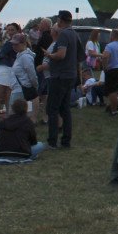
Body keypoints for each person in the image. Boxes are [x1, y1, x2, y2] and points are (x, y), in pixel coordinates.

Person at [44, 11, 80, 149]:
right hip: (70, 75)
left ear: (60, 20)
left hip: (60, 76)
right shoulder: (74, 34)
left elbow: (61, 54)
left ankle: (52, 141)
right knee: (65, 109)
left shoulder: (64, 34)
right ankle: (66, 141)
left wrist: (49, 55)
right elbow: (79, 55)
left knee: (52, 108)